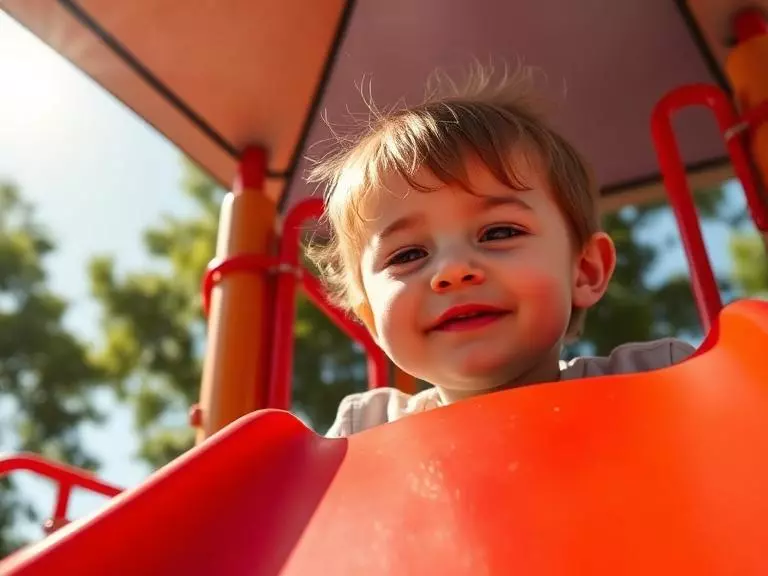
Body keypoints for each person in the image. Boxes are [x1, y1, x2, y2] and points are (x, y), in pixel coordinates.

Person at [305, 63, 696, 438]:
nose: (454, 269)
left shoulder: (659, 382)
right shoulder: (363, 434)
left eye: (499, 232)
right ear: (371, 318)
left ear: (585, 270)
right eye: (407, 255)